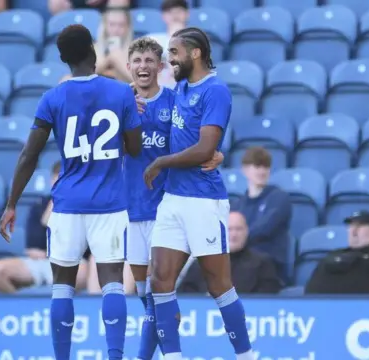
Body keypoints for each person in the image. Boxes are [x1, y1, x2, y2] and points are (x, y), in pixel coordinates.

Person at [0, 24, 143, 360]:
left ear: (64, 60)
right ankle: (115, 356)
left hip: (68, 203)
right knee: (111, 283)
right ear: (93, 51)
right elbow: (134, 149)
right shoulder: (121, 93)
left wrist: (11, 204)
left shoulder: (53, 97)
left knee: (62, 287)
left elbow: (29, 155)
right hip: (109, 202)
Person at [142, 28, 254, 359]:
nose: (169, 59)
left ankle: (246, 355)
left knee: (218, 285)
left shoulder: (215, 91)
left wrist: (163, 161)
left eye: (174, 52)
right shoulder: (180, 88)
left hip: (204, 201)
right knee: (159, 280)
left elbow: (206, 146)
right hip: (173, 199)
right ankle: (173, 356)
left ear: (195, 54)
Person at [124, 36, 224, 360]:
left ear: (161, 66)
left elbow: (199, 138)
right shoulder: (119, 103)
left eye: (150, 61)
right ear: (128, 67)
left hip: (165, 207)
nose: (143, 67)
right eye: (137, 61)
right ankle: (167, 325)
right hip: (130, 209)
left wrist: (218, 154)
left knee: (157, 293)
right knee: (144, 296)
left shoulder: (174, 101)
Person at [0, 162, 90, 293]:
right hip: (40, 263)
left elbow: (81, 247)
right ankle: (22, 308)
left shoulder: (86, 207)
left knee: (81, 271)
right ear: (52, 180)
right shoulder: (39, 206)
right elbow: (33, 247)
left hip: (74, 264)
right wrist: (55, 202)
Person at [179, 212, 282, 294]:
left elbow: (268, 301)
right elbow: (185, 297)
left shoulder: (263, 263)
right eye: (229, 229)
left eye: (238, 229)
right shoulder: (200, 264)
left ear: (246, 232)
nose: (234, 234)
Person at [233, 146, 291, 281]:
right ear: (245, 170)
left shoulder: (279, 198)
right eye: (257, 166)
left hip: (269, 267)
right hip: (240, 265)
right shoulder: (238, 204)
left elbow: (265, 228)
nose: (262, 171)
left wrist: (237, 238)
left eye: (266, 167)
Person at [95, 8, 134, 82]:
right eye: (112, 24)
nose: (116, 30)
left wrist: (118, 60)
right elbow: (84, 77)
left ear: (128, 27)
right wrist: (107, 61)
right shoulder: (94, 48)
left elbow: (143, 82)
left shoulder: (137, 51)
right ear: (105, 26)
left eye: (121, 25)